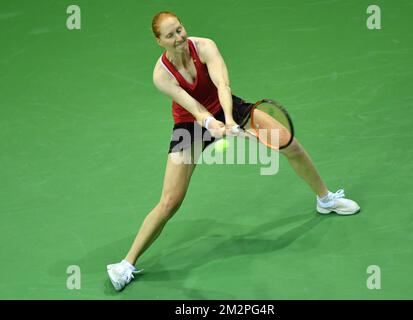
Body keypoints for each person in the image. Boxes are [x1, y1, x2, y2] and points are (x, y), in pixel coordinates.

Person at [107, 11, 360, 291]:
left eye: (179, 30)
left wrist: (228, 119)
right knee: (170, 202)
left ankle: (325, 200)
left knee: (290, 145)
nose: (178, 38)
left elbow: (222, 84)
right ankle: (126, 264)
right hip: (189, 125)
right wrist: (210, 123)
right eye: (170, 35)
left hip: (227, 106)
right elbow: (193, 107)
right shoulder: (160, 75)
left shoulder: (204, 46)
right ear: (159, 41)